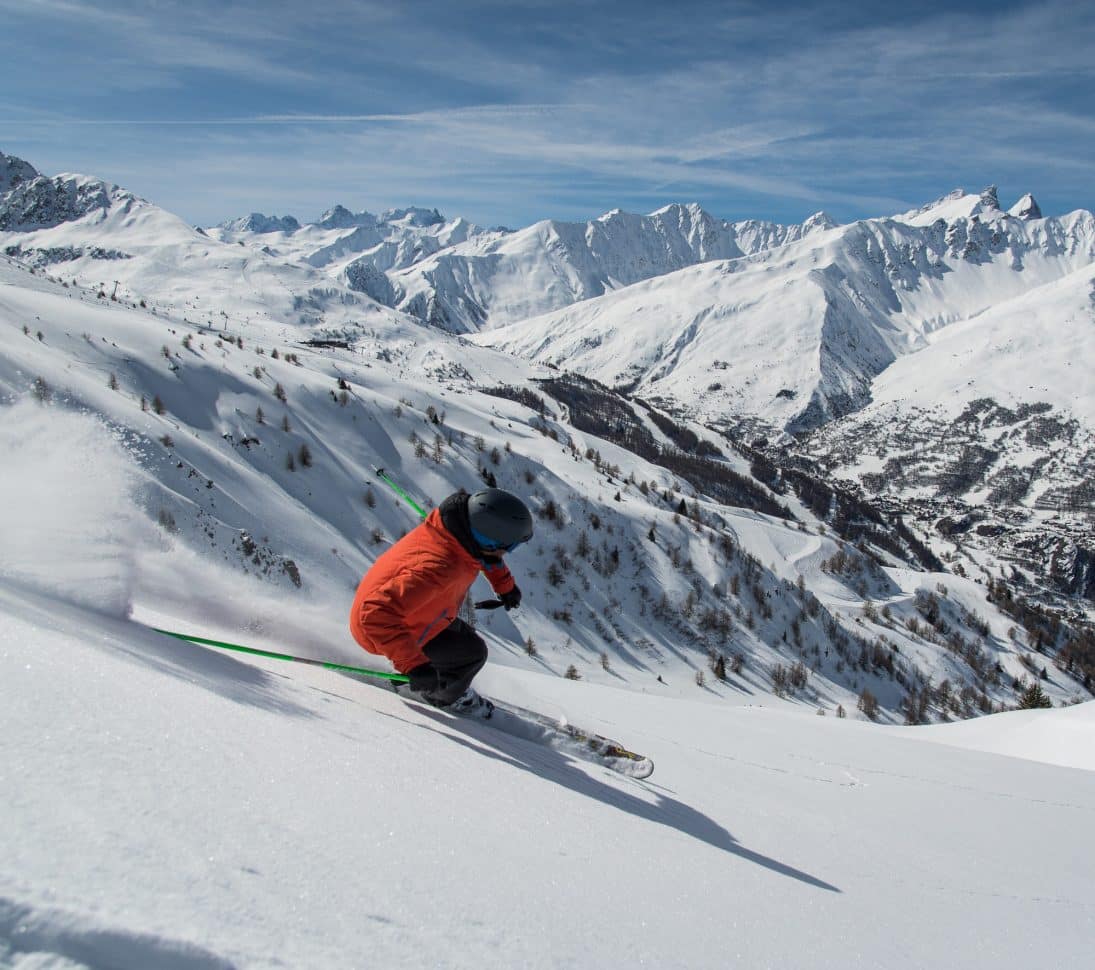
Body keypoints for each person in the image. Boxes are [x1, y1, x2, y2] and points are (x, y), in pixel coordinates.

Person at [350, 487, 533, 714]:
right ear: (490, 543)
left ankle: (439, 679)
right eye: (509, 547)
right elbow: (375, 614)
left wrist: (505, 586)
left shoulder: (453, 531)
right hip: (380, 630)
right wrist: (414, 665)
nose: (508, 552)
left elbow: (483, 557)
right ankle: (433, 696)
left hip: (417, 612)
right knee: (471, 655)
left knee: (465, 643)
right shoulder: (441, 568)